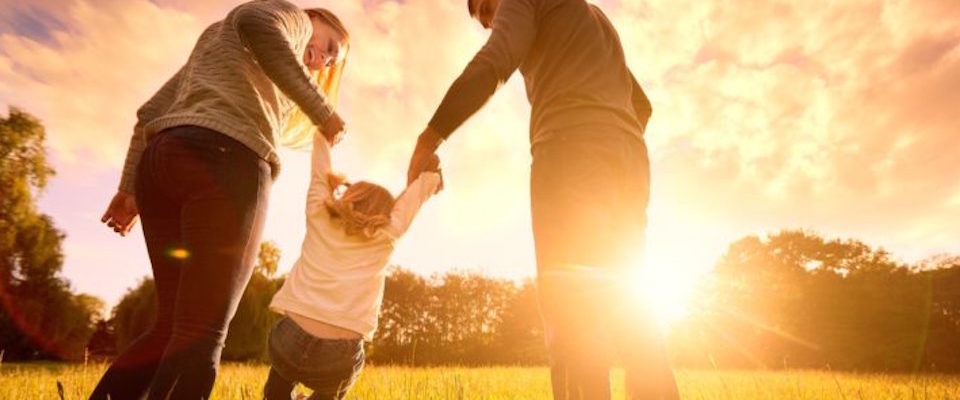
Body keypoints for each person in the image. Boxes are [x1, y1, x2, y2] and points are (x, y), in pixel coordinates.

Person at [405, 0, 680, 398]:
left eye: (485, 8)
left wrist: (429, 137)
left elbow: (495, 62)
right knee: (630, 306)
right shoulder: (591, 16)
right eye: (482, 21)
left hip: (570, 151)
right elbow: (642, 104)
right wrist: (610, 135)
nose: (489, 22)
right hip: (630, 160)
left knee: (571, 310)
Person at [92, 1, 350, 398]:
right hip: (226, 162)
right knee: (201, 331)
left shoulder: (216, 42)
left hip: (162, 163)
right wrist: (322, 110)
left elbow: (149, 114)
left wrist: (129, 190)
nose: (326, 61)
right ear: (316, 19)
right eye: (331, 45)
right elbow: (254, 20)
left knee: (171, 326)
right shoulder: (293, 19)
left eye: (333, 61)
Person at [262, 131, 442, 400]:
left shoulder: (319, 213)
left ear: (350, 197)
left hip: (289, 341)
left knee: (278, 383)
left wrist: (324, 136)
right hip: (339, 355)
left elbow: (320, 171)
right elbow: (414, 198)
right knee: (334, 385)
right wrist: (432, 175)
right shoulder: (387, 233)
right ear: (386, 213)